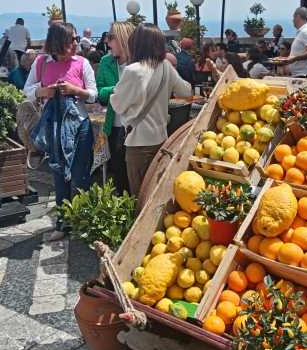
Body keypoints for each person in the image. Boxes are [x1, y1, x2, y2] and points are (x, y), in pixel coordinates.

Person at [24, 23, 97, 241]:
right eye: (70, 40)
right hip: (54, 125)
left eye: (75, 39)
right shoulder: (41, 63)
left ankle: (86, 221)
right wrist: (43, 91)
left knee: (80, 174)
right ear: (57, 43)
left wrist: (76, 91)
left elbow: (93, 94)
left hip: (79, 125)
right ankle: (63, 223)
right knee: (58, 173)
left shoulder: (82, 63)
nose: (75, 44)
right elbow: (28, 91)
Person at [110, 24, 191, 196]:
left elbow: (117, 104)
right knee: (156, 193)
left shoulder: (133, 70)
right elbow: (186, 91)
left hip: (138, 143)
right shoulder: (166, 66)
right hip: (162, 140)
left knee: (140, 195)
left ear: (135, 44)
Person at [96, 22, 135, 195]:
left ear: (123, 39)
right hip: (115, 126)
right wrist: (117, 89)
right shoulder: (106, 62)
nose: (107, 42)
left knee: (136, 176)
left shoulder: (139, 63)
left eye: (111, 38)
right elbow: (100, 94)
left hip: (136, 126)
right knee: (119, 174)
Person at [278, 7, 307, 77]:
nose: (292, 20)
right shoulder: (303, 31)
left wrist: (294, 59)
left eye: (293, 17)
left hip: (303, 76)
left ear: (298, 16)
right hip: (299, 75)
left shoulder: (306, 31)